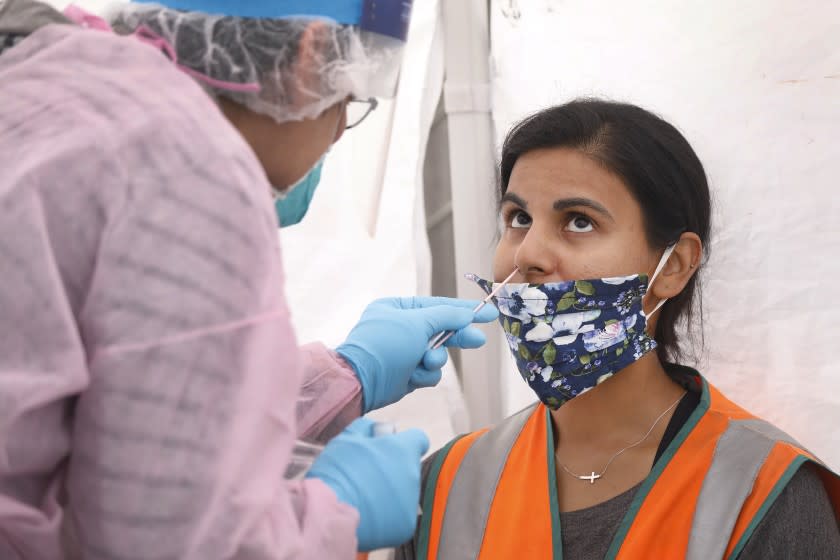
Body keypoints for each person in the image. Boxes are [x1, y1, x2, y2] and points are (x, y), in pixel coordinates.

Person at [0, 0, 499, 558]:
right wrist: (330, 514)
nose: (336, 133)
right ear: (312, 57)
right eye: (350, 101)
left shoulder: (50, 87)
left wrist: (345, 373)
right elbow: (168, 538)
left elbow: (136, 416)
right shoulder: (185, 168)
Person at [397, 99, 840, 559]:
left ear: (674, 266)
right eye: (519, 219)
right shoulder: (444, 485)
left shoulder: (763, 492)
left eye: (579, 221)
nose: (527, 254)